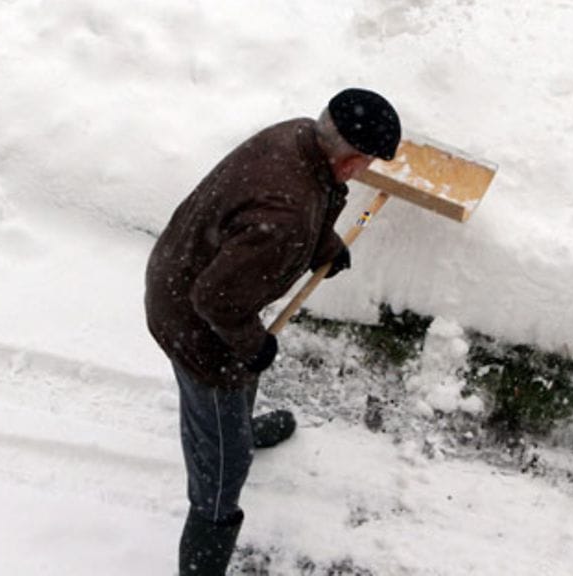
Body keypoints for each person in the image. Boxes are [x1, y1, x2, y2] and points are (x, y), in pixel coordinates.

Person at [144, 88, 401, 575]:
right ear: (349, 161)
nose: (363, 173)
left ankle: (237, 426)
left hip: (186, 266)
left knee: (243, 369)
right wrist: (252, 343)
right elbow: (215, 301)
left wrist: (320, 244)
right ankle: (209, 525)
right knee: (222, 463)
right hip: (195, 324)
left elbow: (300, 201)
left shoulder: (301, 136)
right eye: (366, 163)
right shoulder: (285, 216)